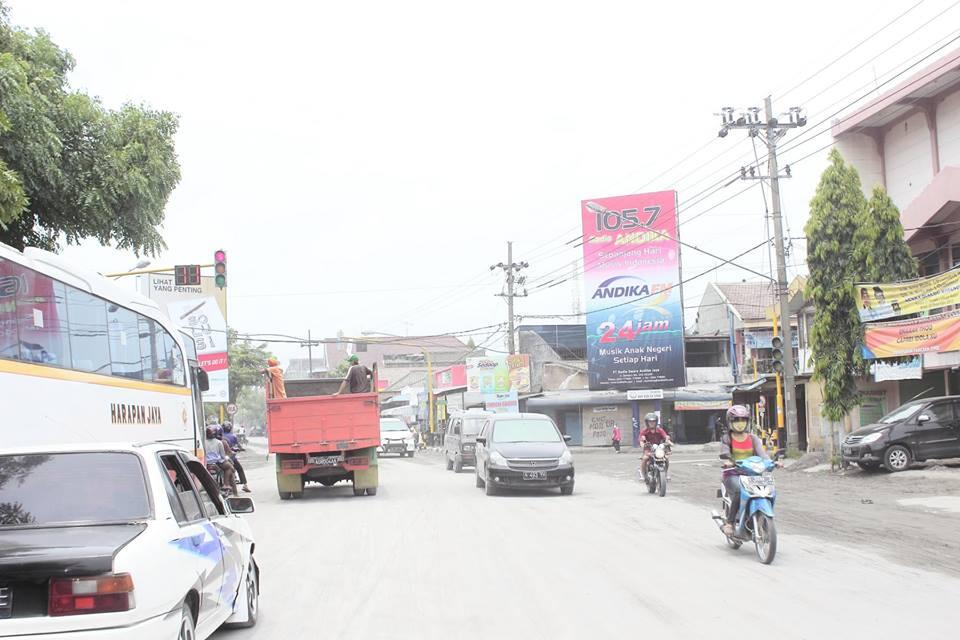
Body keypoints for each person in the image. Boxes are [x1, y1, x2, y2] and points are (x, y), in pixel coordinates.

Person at [719, 404, 776, 537]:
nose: (740, 423)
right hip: (732, 474)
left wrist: (771, 462)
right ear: (730, 422)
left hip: (752, 474)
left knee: (767, 491)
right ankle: (730, 522)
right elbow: (724, 453)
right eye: (736, 420)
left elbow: (762, 454)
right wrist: (728, 461)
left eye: (743, 420)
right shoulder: (727, 438)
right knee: (739, 491)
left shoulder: (753, 438)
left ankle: (761, 515)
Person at [204, 425, 238, 496]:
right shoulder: (219, 442)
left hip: (206, 463)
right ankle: (226, 484)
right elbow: (222, 456)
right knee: (229, 467)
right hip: (217, 463)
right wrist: (226, 458)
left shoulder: (203, 442)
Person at [640, 412, 672, 482]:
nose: (652, 423)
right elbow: (641, 440)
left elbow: (665, 436)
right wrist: (642, 444)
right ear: (647, 422)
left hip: (658, 449)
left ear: (656, 422)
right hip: (648, 449)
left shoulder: (660, 430)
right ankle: (643, 475)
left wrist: (669, 441)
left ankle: (665, 473)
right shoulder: (644, 431)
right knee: (645, 459)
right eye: (650, 422)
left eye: (653, 421)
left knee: (666, 458)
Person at [222, 423, 251, 493]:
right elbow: (238, 445)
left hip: (221, 459)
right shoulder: (233, 436)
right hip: (231, 458)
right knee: (240, 469)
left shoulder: (221, 437)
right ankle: (245, 485)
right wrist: (241, 449)